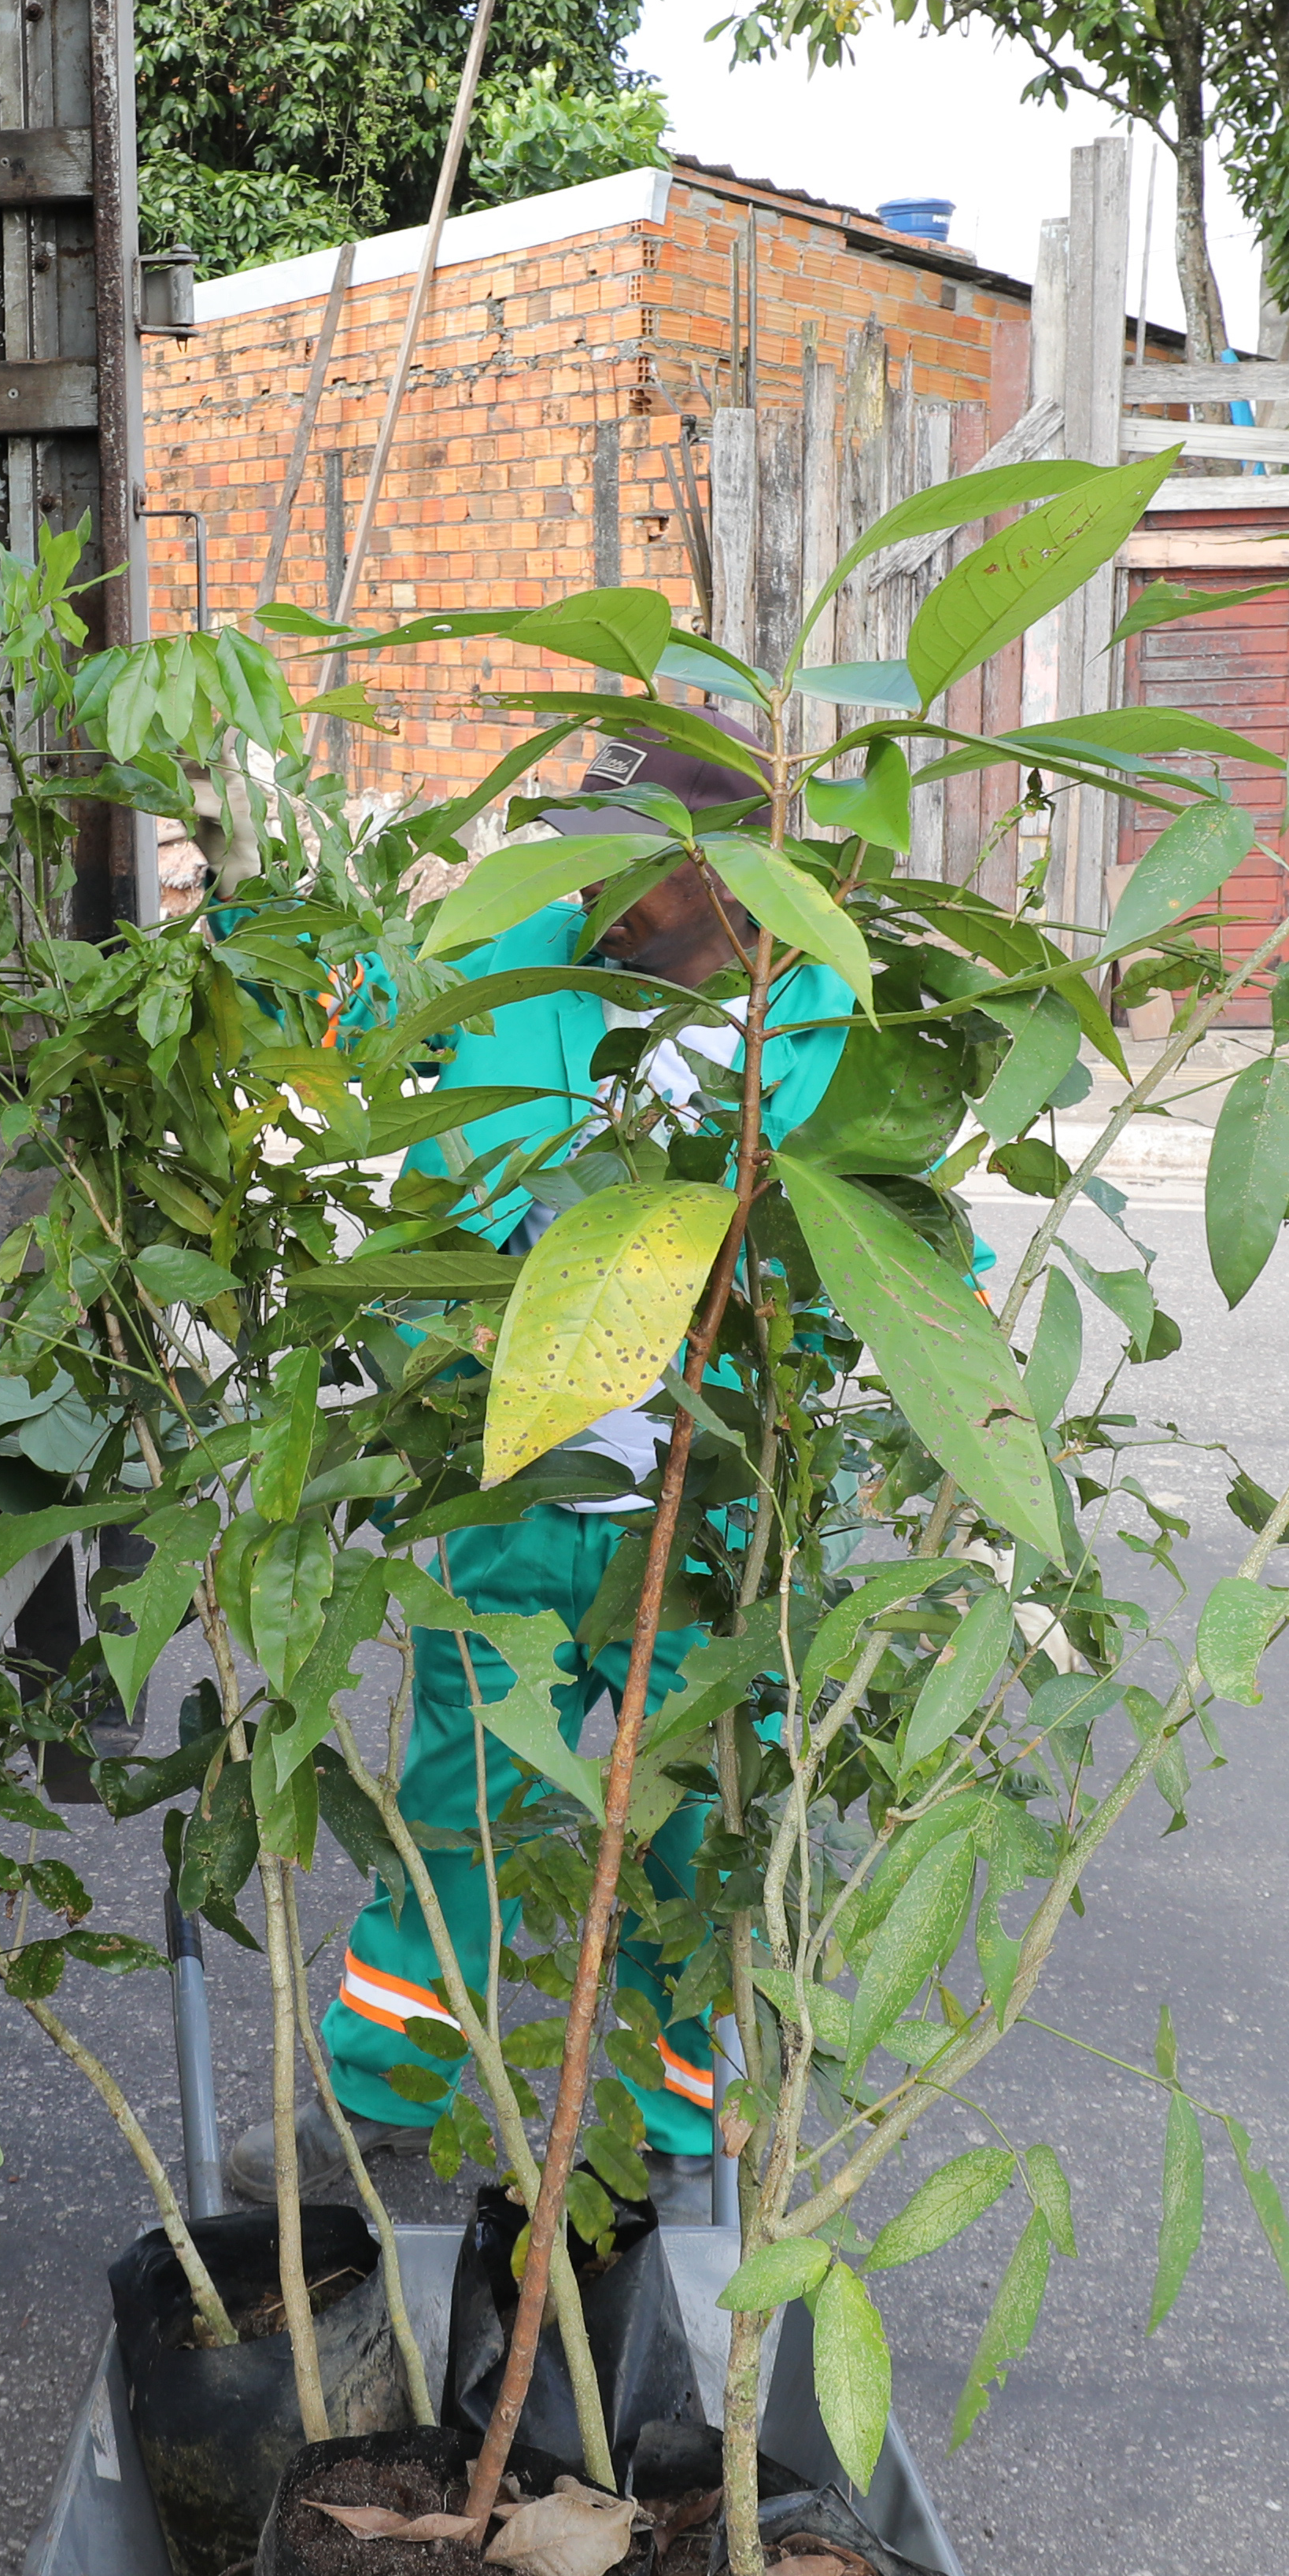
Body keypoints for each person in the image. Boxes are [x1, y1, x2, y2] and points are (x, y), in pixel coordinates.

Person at [312, 725, 856, 2175]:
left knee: (698, 1833)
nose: (587, 882)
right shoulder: (519, 963)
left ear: (723, 875)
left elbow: (894, 1243)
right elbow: (371, 1045)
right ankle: (379, 2107)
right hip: (528, 1482)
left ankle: (680, 2128)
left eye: (625, 859)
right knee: (459, 1802)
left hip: (714, 1511)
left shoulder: (826, 1020)